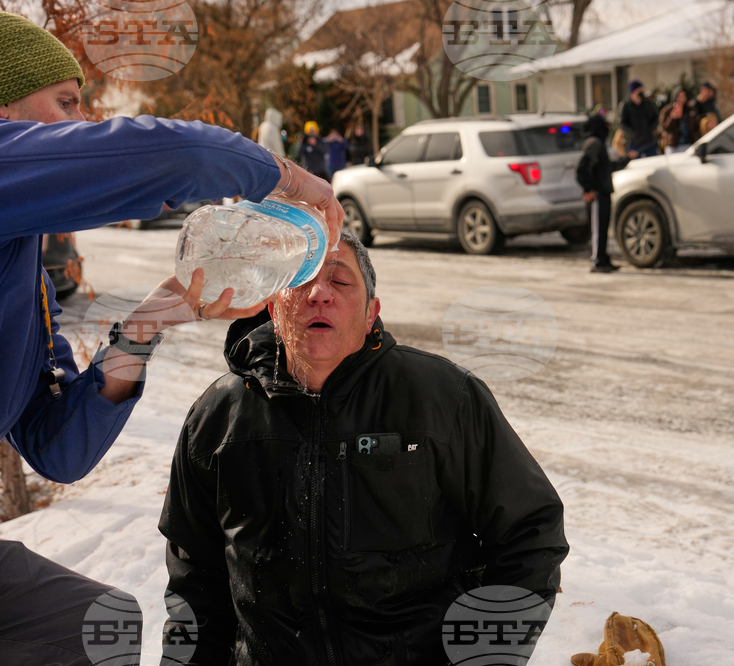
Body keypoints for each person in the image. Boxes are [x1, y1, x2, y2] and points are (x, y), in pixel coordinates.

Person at [0, 11, 343, 664]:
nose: (81, 125)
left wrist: (149, 323)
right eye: (65, 103)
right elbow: (181, 157)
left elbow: (55, 445)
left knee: (93, 625)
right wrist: (294, 181)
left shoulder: (27, 268)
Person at [158, 231, 569, 664]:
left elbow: (531, 534)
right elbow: (195, 579)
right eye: (299, 280)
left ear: (372, 312)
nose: (319, 294)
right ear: (273, 310)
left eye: (340, 281)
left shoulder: (443, 399)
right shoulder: (219, 417)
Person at [576, 114, 636, 273]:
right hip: (597, 195)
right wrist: (588, 189)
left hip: (603, 193)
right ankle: (597, 261)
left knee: (602, 229)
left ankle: (603, 258)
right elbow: (581, 169)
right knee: (597, 230)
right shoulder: (594, 143)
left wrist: (625, 160)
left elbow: (605, 168)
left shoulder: (599, 143)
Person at [618, 79, 659, 158]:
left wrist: (651, 129)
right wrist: (632, 134)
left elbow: (656, 117)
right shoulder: (625, 106)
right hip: (634, 143)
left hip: (649, 141)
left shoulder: (648, 103)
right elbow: (622, 123)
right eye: (638, 91)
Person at [660, 86, 701, 154]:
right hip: (673, 146)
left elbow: (696, 127)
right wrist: (672, 118)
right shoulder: (667, 110)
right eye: (679, 96)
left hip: (689, 144)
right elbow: (665, 127)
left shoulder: (691, 110)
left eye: (683, 96)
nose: (681, 99)